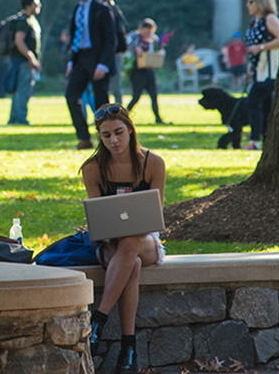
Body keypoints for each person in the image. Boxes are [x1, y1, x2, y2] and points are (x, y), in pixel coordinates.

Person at [80, 104, 166, 374]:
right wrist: (112, 232)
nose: (113, 141)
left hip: (146, 241)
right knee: (132, 263)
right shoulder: (92, 169)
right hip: (110, 244)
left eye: (119, 132)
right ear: (99, 137)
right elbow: (99, 217)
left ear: (130, 129)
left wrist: (130, 230)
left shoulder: (153, 163)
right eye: (106, 136)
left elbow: (154, 218)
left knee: (131, 243)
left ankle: (98, 321)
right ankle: (129, 348)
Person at [65, 0, 118, 150]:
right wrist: (71, 62)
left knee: (101, 102)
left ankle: (106, 140)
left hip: (98, 58)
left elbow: (111, 39)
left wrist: (104, 64)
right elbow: (74, 36)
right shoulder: (77, 9)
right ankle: (84, 138)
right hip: (80, 58)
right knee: (71, 96)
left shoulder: (102, 9)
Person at [242, 0, 279, 150]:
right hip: (258, 71)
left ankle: (255, 141)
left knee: (253, 102)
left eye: (251, 1)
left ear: (261, 2)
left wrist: (262, 47)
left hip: (269, 72)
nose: (248, 5)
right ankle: (269, 141)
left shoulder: (269, 19)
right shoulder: (254, 22)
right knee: (266, 106)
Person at [6, 0, 42, 126]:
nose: (39, 6)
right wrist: (31, 58)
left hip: (25, 61)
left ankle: (15, 119)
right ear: (27, 6)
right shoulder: (23, 21)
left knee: (19, 91)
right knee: (23, 91)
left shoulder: (31, 20)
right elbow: (19, 41)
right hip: (22, 61)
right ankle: (20, 119)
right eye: (36, 3)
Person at [94, 0, 127, 105]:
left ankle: (119, 112)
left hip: (115, 53)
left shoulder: (114, 12)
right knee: (102, 87)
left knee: (116, 85)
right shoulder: (96, 12)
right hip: (101, 53)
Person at [126, 19, 163, 124]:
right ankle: (125, 116)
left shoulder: (154, 38)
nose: (147, 33)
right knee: (136, 96)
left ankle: (158, 118)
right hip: (137, 70)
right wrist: (136, 49)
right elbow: (127, 46)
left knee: (154, 95)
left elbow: (159, 49)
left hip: (149, 69)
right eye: (146, 31)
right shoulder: (134, 36)